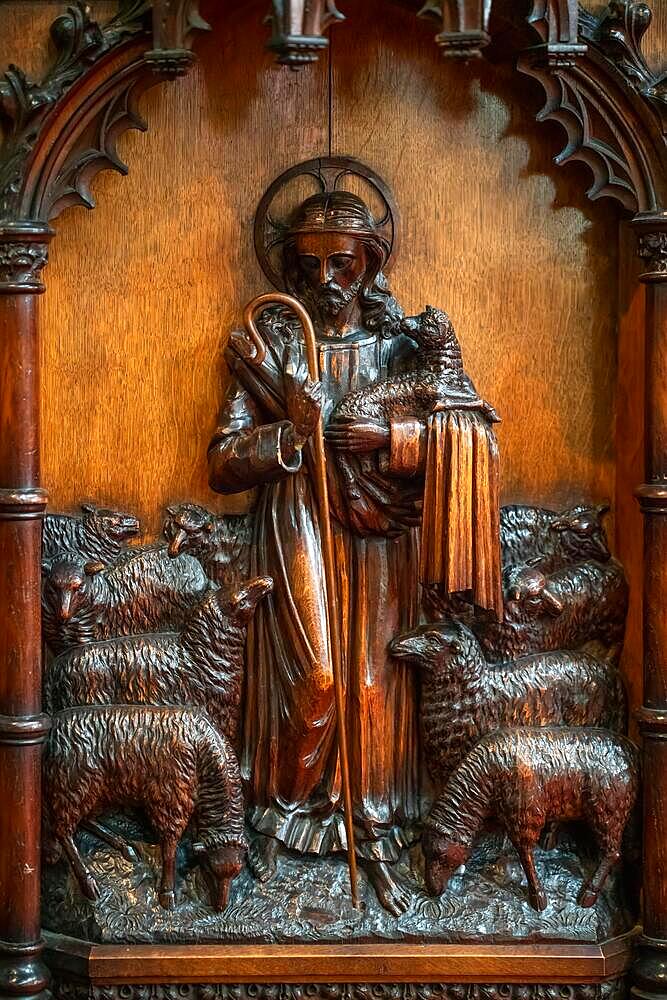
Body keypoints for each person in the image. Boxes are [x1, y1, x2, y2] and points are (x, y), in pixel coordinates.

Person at [208, 190, 485, 914]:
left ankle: (376, 831)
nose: (327, 277)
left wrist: (389, 441)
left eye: (343, 261)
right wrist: (291, 435)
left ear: (370, 262)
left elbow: (472, 439)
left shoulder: (401, 345)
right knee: (317, 682)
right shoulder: (274, 346)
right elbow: (223, 463)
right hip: (296, 515)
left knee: (370, 685)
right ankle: (280, 818)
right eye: (311, 263)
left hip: (380, 531)